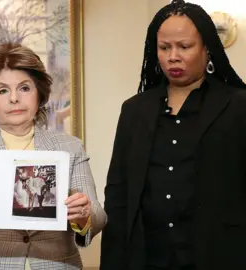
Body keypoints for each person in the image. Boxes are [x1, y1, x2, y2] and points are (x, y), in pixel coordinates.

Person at [0, 43, 107, 270]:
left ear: (39, 95)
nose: (14, 98)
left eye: (25, 88)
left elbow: (98, 216)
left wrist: (84, 215)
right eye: (2, 90)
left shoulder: (69, 147)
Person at [100, 1, 246, 270]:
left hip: (220, 254)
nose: (173, 57)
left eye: (185, 47)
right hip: (147, 257)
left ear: (207, 49)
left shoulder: (238, 106)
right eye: (164, 48)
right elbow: (119, 194)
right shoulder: (134, 110)